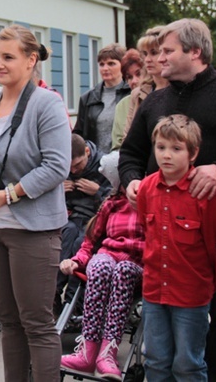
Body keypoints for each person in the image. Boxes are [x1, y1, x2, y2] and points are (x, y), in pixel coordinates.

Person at [118, 18, 216, 381]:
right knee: (164, 345)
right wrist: (131, 182)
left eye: (168, 51)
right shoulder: (156, 99)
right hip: (167, 232)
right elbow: (131, 153)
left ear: (195, 52)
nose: (159, 57)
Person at [0, 25, 71, 382]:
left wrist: (10, 194)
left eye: (9, 57)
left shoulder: (47, 103)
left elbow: (56, 166)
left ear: (31, 59)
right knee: (8, 321)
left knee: (37, 323)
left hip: (33, 228)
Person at [136, 115, 216, 381]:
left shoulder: (204, 193)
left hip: (191, 294)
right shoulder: (146, 188)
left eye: (176, 149)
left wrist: (209, 285)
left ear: (193, 153)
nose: (167, 155)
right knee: (155, 361)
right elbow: (146, 228)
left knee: (188, 364)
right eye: (161, 147)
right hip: (154, 292)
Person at [59, 152, 144, 378]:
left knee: (122, 270)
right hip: (108, 257)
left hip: (135, 264)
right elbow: (89, 242)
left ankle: (108, 352)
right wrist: (76, 260)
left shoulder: (149, 206)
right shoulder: (111, 204)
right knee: (100, 265)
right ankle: (87, 351)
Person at [55, 134, 110, 314]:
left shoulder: (104, 166)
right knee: (67, 235)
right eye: (69, 167)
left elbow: (117, 200)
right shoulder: (64, 167)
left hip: (96, 219)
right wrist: (58, 191)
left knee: (81, 243)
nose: (74, 170)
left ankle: (74, 301)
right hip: (73, 217)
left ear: (87, 152)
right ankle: (54, 292)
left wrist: (98, 191)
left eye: (77, 165)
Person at [73, 43, 130, 154]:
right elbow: (78, 133)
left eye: (111, 64)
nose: (105, 68)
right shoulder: (88, 98)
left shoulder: (131, 94)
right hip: (95, 163)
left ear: (122, 66)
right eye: (101, 64)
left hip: (123, 159)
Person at [125, 27, 169, 134]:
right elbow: (128, 137)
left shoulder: (181, 90)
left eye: (154, 52)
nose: (147, 59)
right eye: (145, 54)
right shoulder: (138, 94)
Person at [111, 49, 144, 150]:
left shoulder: (158, 98)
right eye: (129, 77)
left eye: (138, 74)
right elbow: (117, 146)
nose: (134, 81)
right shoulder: (122, 106)